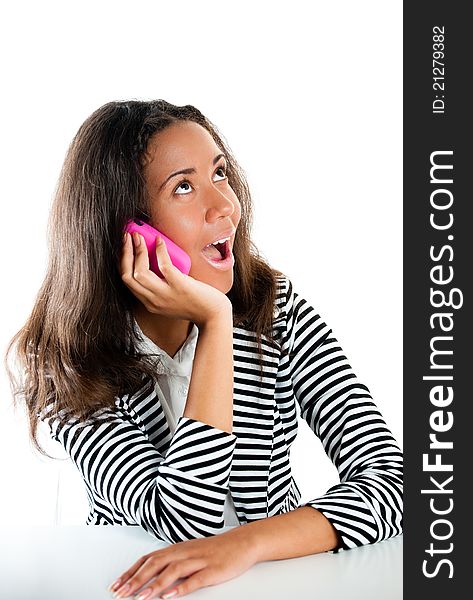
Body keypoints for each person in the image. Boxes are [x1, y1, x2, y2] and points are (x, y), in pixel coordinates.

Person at [5, 100, 403, 600]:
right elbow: (184, 518)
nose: (225, 206)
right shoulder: (67, 365)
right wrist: (216, 323)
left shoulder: (275, 311)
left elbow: (393, 479)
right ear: (128, 230)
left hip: (278, 585)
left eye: (219, 173)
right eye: (184, 186)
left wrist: (248, 544)